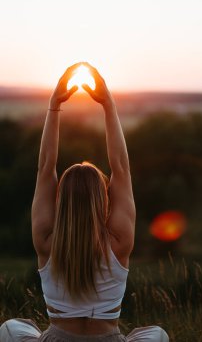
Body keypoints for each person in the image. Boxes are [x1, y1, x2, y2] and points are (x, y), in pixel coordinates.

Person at [0, 63, 169, 342]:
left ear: (61, 199)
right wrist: (108, 104)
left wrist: (54, 105)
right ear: (103, 198)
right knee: (157, 335)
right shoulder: (119, 240)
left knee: (10, 328)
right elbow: (122, 168)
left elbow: (45, 168)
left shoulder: (45, 240)